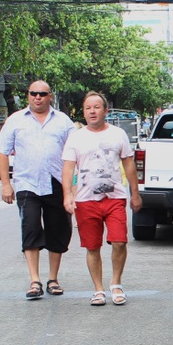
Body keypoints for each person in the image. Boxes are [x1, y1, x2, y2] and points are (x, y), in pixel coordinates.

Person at [0, 81, 76, 300]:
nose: (38, 97)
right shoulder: (15, 120)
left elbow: (75, 152)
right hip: (26, 184)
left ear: (50, 96)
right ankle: (34, 280)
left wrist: (74, 188)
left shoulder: (63, 121)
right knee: (30, 227)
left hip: (57, 183)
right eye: (33, 94)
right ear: (28, 95)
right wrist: (5, 184)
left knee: (58, 230)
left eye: (42, 94)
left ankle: (52, 279)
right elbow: (2, 152)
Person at [62, 91, 142, 306]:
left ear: (105, 111)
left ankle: (116, 283)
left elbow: (129, 164)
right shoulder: (76, 137)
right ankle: (98, 289)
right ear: (84, 112)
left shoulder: (118, 134)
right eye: (88, 108)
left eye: (97, 107)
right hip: (86, 200)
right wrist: (67, 195)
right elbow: (68, 168)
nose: (92, 111)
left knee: (119, 241)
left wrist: (135, 194)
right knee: (92, 246)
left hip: (114, 197)